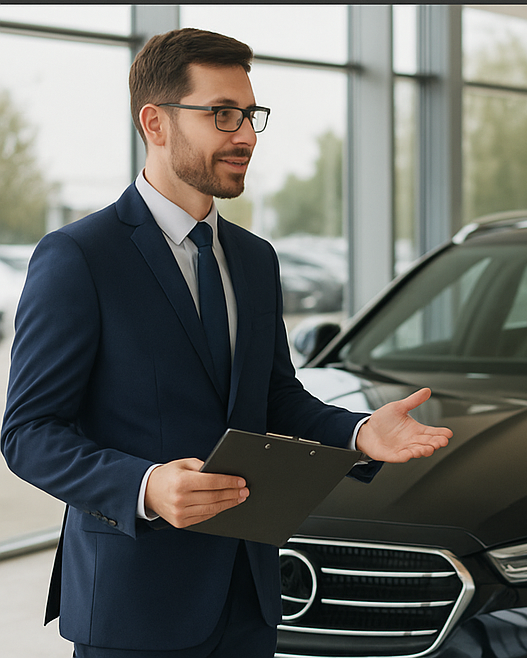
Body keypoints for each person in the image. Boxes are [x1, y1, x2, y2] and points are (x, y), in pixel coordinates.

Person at [0, 28, 451, 657]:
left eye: (249, 114)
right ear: (155, 123)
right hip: (137, 605)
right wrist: (145, 485)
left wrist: (357, 434)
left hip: (249, 595)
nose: (246, 135)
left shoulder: (255, 259)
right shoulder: (79, 258)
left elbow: (273, 397)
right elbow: (28, 432)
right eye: (222, 115)